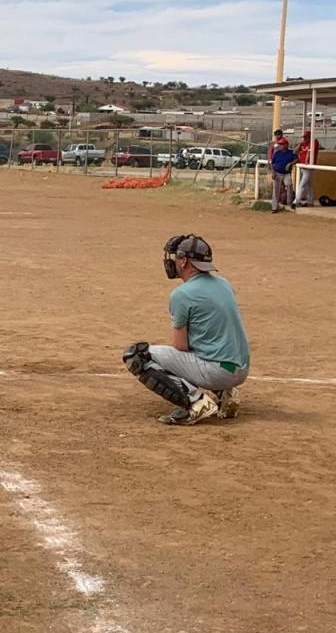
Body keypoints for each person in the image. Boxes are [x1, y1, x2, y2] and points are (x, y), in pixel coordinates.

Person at [122, 235, 250, 426]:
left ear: (184, 261)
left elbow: (181, 346)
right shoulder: (224, 283)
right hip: (240, 368)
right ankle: (226, 394)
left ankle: (196, 402)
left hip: (217, 373)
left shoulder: (182, 294)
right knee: (206, 345)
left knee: (138, 356)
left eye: (176, 257)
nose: (172, 261)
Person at [293, 130, 323, 207]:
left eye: (306, 137)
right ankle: (310, 201)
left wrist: (307, 160)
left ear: (310, 137)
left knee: (302, 184)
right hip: (302, 166)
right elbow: (295, 151)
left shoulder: (314, 142)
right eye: (304, 137)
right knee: (308, 185)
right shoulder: (303, 144)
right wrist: (300, 144)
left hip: (309, 167)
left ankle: (296, 201)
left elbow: (310, 152)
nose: (305, 139)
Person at [269, 136, 298, 213]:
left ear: (287, 144)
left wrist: (290, 163)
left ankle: (289, 203)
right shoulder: (277, 153)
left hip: (286, 173)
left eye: (283, 144)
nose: (281, 146)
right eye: (280, 144)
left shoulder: (291, 152)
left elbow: (296, 159)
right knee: (276, 190)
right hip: (277, 173)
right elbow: (272, 163)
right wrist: (273, 172)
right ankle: (274, 207)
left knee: (289, 186)